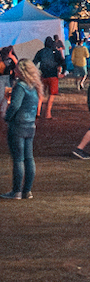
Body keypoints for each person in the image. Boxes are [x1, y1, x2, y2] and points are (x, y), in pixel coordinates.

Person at [4, 60, 43, 199]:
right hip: (30, 125)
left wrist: (7, 117)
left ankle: (16, 191)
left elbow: (15, 105)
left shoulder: (20, 86)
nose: (14, 70)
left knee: (18, 159)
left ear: (21, 71)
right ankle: (27, 190)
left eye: (16, 69)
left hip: (18, 125)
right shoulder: (34, 86)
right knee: (29, 158)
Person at [33, 36, 64, 119]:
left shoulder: (40, 52)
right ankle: (47, 114)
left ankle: (38, 112)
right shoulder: (55, 52)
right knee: (51, 95)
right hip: (53, 75)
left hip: (43, 75)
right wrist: (63, 72)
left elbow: (34, 62)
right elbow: (62, 62)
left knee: (41, 94)